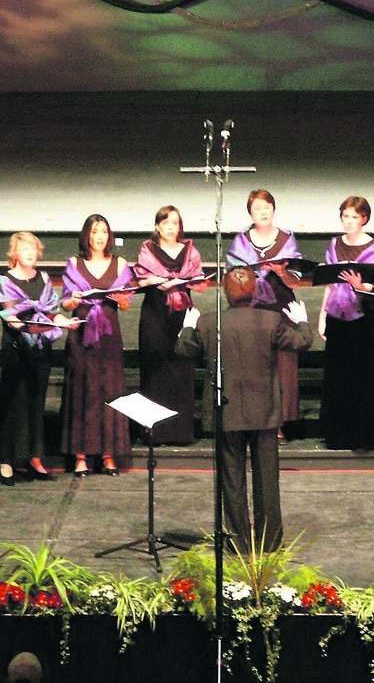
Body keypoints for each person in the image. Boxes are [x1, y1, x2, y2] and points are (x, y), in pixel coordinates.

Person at [175, 266, 313, 554]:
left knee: (232, 479)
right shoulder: (270, 320)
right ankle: (269, 542)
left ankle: (238, 543)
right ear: (254, 291)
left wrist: (187, 325)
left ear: (226, 291)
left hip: (227, 412)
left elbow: (184, 349)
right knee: (267, 480)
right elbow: (302, 342)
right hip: (264, 412)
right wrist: (302, 321)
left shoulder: (210, 323)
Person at [0, 232, 78, 487]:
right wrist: (27, 328)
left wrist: (65, 322)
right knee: (14, 404)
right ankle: (6, 461)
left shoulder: (43, 279)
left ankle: (35, 457)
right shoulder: (5, 281)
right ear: (15, 253)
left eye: (33, 249)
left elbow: (52, 312)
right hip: (16, 348)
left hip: (40, 349)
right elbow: (10, 317)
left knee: (36, 402)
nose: (29, 253)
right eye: (24, 249)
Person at [226, 188, 302, 442]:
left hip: (281, 309)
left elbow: (294, 281)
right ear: (250, 212)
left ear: (274, 209)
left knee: (283, 367)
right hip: (252, 310)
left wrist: (280, 272)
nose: (263, 212)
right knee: (255, 366)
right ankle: (256, 420)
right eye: (257, 208)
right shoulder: (241, 241)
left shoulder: (286, 239)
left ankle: (280, 422)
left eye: (267, 207)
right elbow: (232, 279)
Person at [60, 214, 134, 476]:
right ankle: (80, 456)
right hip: (82, 334)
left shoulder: (120, 263)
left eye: (103, 231)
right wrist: (74, 299)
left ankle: (108, 454)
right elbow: (65, 303)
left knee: (109, 390)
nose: (100, 236)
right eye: (94, 232)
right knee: (83, 391)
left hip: (109, 336)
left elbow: (126, 304)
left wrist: (121, 299)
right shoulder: (74, 264)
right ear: (86, 236)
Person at [318, 195, 374, 451]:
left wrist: (359, 286)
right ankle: (338, 435)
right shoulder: (334, 244)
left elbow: (371, 287)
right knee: (338, 378)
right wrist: (322, 315)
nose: (348, 221)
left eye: (354, 217)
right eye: (345, 216)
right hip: (337, 317)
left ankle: (364, 436)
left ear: (364, 219)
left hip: (362, 320)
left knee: (362, 377)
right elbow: (329, 284)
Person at [134, 205, 206, 445]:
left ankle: (180, 432)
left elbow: (198, 280)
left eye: (174, 223)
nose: (170, 227)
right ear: (157, 226)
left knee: (181, 367)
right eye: (165, 223)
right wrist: (153, 280)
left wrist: (184, 281)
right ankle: (155, 432)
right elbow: (140, 279)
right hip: (155, 313)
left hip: (181, 313)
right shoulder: (148, 249)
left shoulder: (190, 252)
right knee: (155, 369)